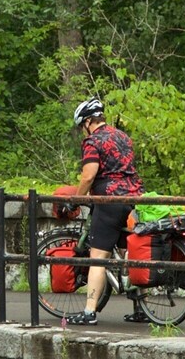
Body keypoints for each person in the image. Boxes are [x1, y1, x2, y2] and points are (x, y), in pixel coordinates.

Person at [63, 97, 146, 326]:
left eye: (82, 126)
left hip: (109, 202)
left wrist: (77, 199)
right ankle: (141, 308)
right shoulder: (123, 137)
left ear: (88, 121)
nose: (82, 131)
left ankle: (89, 312)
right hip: (135, 198)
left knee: (98, 259)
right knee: (129, 252)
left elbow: (89, 175)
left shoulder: (93, 141)